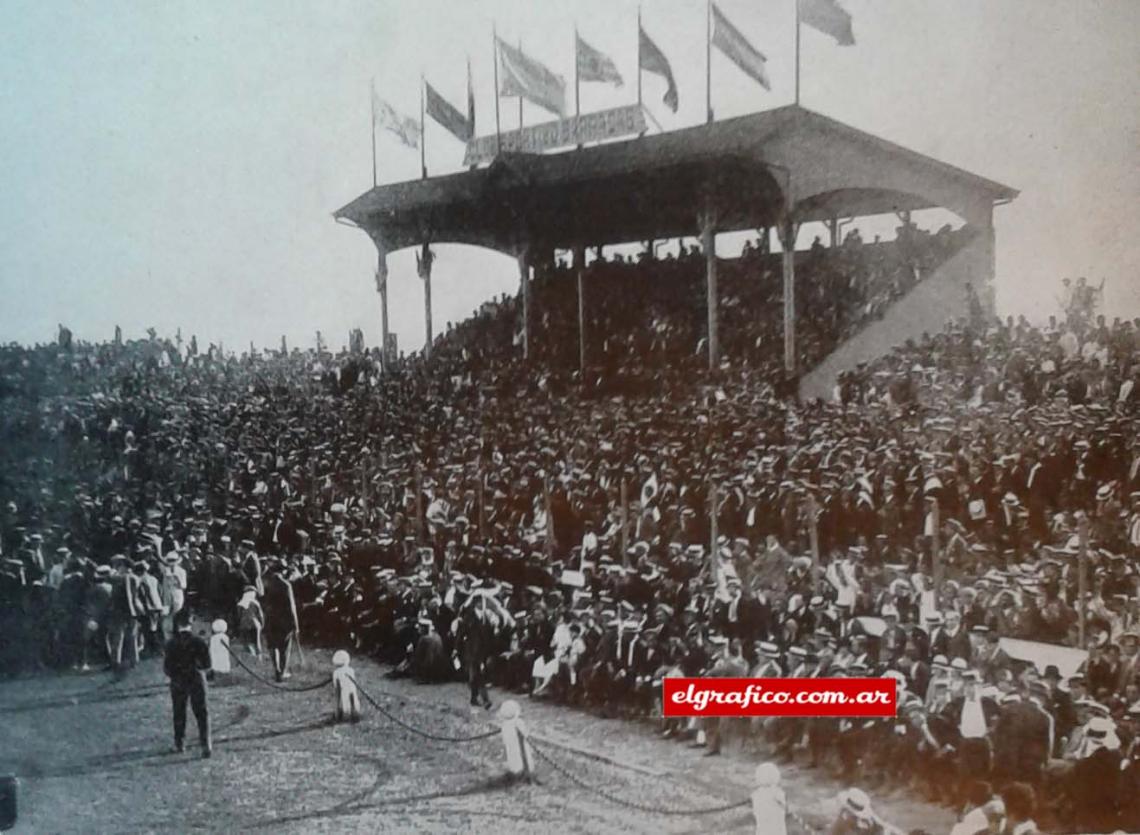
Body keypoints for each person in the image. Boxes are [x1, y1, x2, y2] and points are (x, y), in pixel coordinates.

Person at [164, 611, 212, 757]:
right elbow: (207, 664)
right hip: (196, 678)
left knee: (179, 712)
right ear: (190, 623)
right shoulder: (199, 641)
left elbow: (167, 668)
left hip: (178, 680)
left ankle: (180, 743)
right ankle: (206, 744)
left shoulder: (171, 643)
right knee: (202, 712)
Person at [261, 561, 298, 682]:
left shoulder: (268, 584)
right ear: (283, 571)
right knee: (284, 648)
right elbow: (291, 606)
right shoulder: (286, 585)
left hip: (270, 618)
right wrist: (295, 624)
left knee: (272, 645)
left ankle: (276, 668)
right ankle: (283, 671)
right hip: (284, 620)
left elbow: (264, 602)